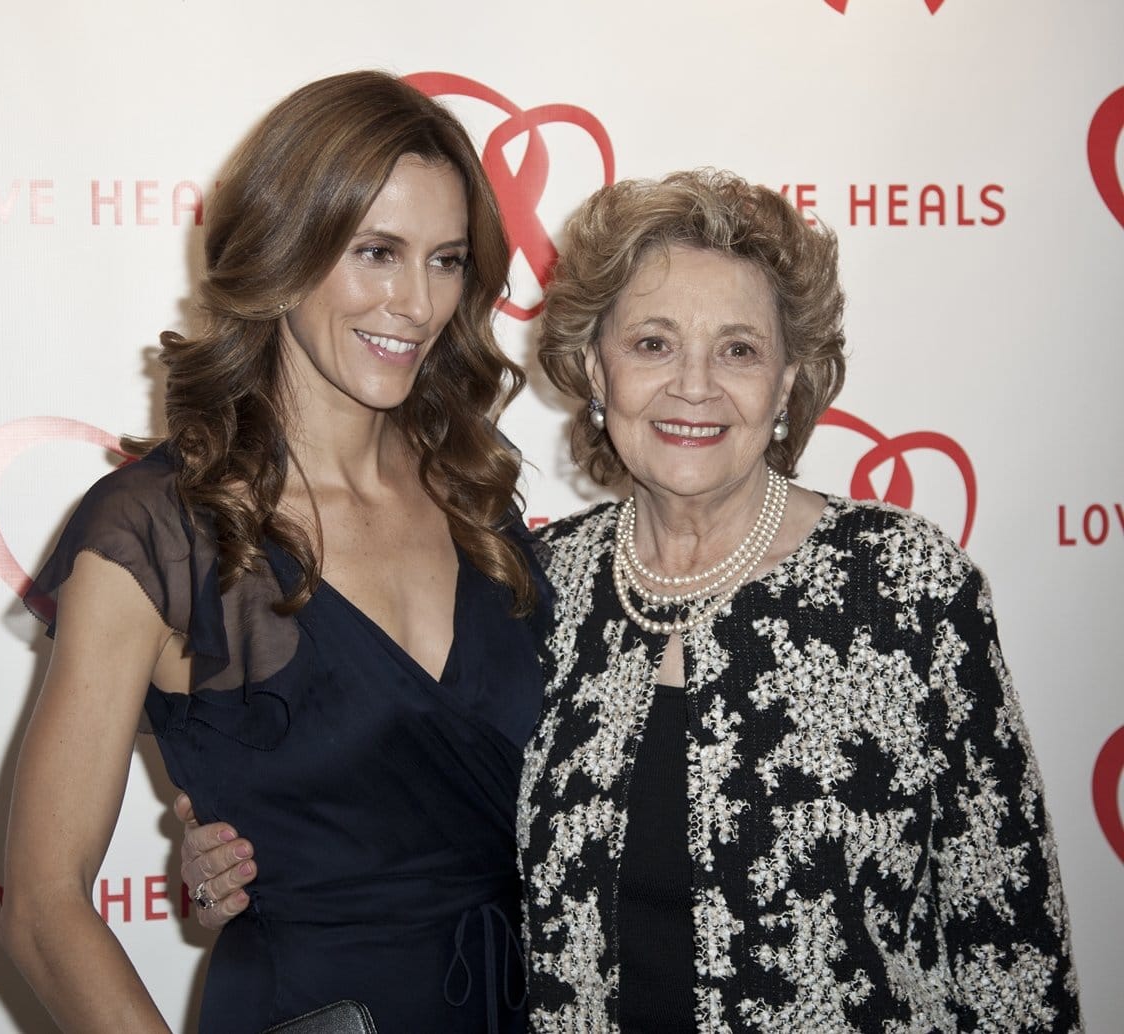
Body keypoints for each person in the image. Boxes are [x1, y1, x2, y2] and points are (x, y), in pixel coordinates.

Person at [182, 170, 1082, 1032]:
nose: (694, 385)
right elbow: (412, 804)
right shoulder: (532, 582)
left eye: (739, 349)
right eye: (652, 344)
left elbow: (1011, 939)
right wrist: (241, 847)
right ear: (593, 372)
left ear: (789, 383)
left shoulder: (904, 585)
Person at [0, 70, 543, 1034]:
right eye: (376, 251)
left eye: (447, 260)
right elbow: (42, 905)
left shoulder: (477, 495)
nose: (417, 304)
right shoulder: (162, 530)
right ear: (288, 247)